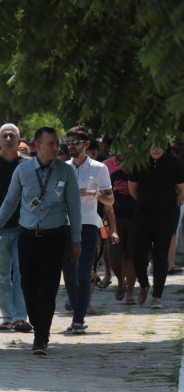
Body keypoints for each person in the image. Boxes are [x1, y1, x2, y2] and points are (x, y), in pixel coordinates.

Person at [0, 127, 82, 355]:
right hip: (27, 237)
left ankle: (41, 337)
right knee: (28, 286)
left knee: (48, 288)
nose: (56, 147)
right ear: (37, 146)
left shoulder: (65, 172)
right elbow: (9, 201)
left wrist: (76, 240)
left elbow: (74, 209)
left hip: (54, 238)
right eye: (51, 144)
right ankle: (38, 322)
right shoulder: (23, 170)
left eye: (57, 143)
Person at [61, 126, 115, 333]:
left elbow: (110, 198)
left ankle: (78, 318)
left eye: (75, 142)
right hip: (65, 225)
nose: (71, 146)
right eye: (68, 142)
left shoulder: (99, 168)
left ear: (86, 145)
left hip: (88, 225)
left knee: (84, 273)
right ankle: (77, 311)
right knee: (68, 274)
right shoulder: (63, 167)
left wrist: (94, 193)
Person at [0, 124, 30, 332]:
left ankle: (21, 317)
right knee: (1, 276)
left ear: (19, 140)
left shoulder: (29, 165)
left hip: (24, 228)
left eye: (13, 135)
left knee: (21, 273)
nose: (9, 138)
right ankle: (7, 317)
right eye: (5, 135)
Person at [128, 143, 184, 308]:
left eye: (159, 144)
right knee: (138, 256)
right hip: (142, 215)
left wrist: (170, 206)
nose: (155, 148)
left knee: (161, 256)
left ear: (165, 146)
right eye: (152, 144)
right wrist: (146, 204)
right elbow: (133, 189)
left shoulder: (174, 163)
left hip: (165, 216)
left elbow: (182, 190)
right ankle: (144, 285)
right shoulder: (139, 162)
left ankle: (157, 297)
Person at [107, 155, 137, 305]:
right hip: (115, 221)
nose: (120, 161)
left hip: (135, 221)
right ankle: (120, 281)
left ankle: (130, 293)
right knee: (113, 257)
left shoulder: (138, 174)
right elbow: (107, 199)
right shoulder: (114, 176)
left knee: (131, 259)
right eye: (118, 159)